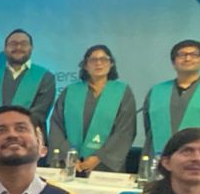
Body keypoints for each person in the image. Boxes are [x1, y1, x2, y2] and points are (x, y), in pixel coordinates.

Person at [47, 45, 136, 176]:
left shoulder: (122, 91)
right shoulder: (71, 91)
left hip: (105, 166)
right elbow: (56, 126)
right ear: (85, 65)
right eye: (93, 60)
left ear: (111, 64)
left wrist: (99, 157)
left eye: (104, 59)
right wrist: (68, 156)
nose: (98, 63)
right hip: (69, 164)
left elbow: (125, 130)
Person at [141, 39, 200, 158]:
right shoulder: (157, 91)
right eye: (181, 55)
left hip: (198, 158)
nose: (188, 59)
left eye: (194, 55)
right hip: (158, 157)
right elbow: (149, 127)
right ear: (173, 62)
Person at [0, 29, 57, 138]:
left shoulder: (45, 77)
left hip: (29, 144)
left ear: (31, 48)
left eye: (23, 44)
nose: (18, 47)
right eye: (13, 44)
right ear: (5, 49)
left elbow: (39, 113)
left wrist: (14, 134)